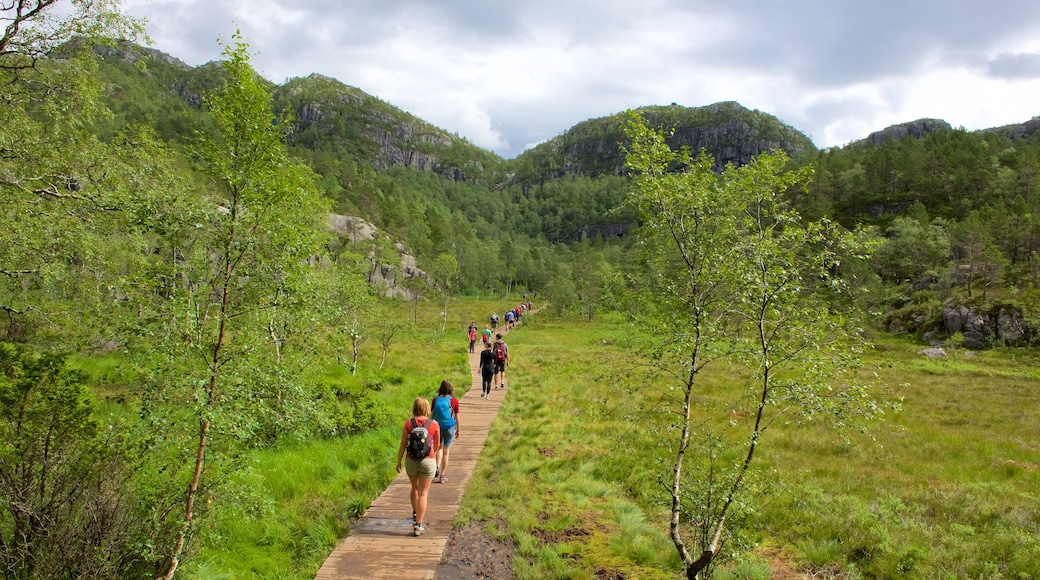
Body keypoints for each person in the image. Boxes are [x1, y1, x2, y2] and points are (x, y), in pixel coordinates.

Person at [396, 397, 440, 536]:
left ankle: (415, 513)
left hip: (411, 461)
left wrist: (398, 462)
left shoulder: (408, 424)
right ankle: (419, 525)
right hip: (428, 460)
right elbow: (437, 445)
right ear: (427, 408)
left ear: (414, 408)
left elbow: (403, 444)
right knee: (423, 493)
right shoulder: (434, 424)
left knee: (414, 488)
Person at [430, 380, 460, 483]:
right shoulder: (454, 401)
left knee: (439, 449)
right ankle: (442, 476)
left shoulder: (435, 400)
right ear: (450, 389)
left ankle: (436, 467)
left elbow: (432, 414)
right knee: (446, 452)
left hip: (438, 427)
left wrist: (429, 427)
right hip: (450, 427)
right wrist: (458, 429)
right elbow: (457, 417)